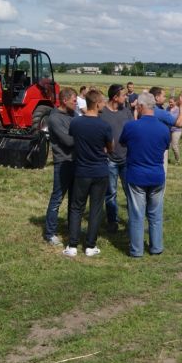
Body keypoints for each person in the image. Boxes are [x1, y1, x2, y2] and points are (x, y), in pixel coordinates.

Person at [119, 92, 170, 258]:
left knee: (137, 215)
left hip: (136, 176)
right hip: (157, 175)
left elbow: (123, 142)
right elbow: (164, 147)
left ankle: (136, 250)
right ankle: (156, 247)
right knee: (155, 214)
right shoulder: (164, 129)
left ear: (140, 107)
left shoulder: (131, 126)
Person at [64, 89, 113, 258]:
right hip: (100, 171)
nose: (104, 104)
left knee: (76, 207)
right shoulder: (105, 125)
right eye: (103, 102)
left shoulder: (76, 123)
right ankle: (90, 246)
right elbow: (110, 148)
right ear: (97, 103)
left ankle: (72, 245)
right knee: (96, 208)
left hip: (82, 170)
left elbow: (74, 140)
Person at [43, 87, 77, 246]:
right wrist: (84, 137)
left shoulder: (73, 115)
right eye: (74, 100)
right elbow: (68, 141)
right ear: (65, 100)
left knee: (74, 199)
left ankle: (73, 229)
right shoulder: (55, 118)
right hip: (63, 162)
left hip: (76, 161)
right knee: (57, 198)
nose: (76, 103)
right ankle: (50, 233)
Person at [100, 84, 134, 233]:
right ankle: (112, 222)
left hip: (126, 159)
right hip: (110, 160)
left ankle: (133, 221)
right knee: (111, 193)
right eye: (123, 95)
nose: (126, 97)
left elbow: (133, 130)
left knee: (130, 192)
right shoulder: (102, 114)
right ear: (115, 97)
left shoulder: (126, 112)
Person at [149, 87, 182, 174]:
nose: (165, 98)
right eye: (163, 96)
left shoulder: (146, 109)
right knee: (161, 174)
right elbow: (180, 123)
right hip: (160, 148)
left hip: (148, 147)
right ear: (157, 97)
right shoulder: (161, 113)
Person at [168, 97, 182, 164]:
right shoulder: (167, 108)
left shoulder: (178, 110)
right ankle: (165, 159)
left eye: (171, 102)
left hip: (176, 130)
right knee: (166, 145)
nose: (170, 103)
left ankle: (178, 160)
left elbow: (173, 119)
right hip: (168, 129)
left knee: (174, 146)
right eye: (169, 102)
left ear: (175, 102)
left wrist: (169, 113)